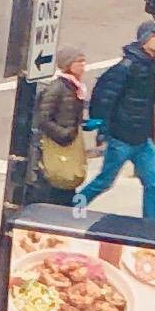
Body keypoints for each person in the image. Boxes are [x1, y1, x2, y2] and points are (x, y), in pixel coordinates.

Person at [74, 20, 155, 220]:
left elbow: (147, 104)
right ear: (145, 40)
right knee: (105, 181)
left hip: (142, 139)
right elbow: (104, 97)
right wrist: (103, 128)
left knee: (153, 182)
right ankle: (73, 208)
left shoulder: (150, 64)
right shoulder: (126, 67)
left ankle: (151, 225)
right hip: (122, 138)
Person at [29, 46, 88, 206]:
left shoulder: (74, 87)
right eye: (79, 62)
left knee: (67, 179)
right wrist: (64, 134)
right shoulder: (58, 88)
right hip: (60, 143)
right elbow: (43, 117)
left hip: (68, 140)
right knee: (60, 178)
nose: (83, 66)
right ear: (68, 65)